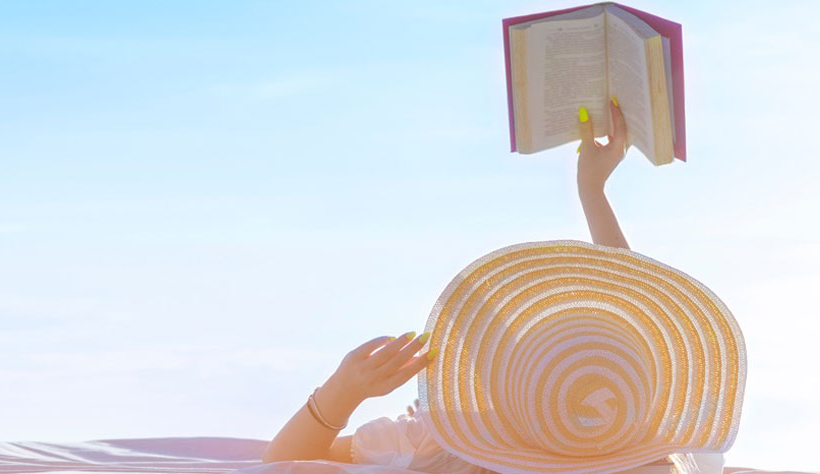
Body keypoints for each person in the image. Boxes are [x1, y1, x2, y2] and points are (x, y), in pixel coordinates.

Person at [261, 98, 722, 473]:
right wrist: (593, 192)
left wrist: (341, 393)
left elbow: (281, 465)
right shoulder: (666, 451)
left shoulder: (447, 441)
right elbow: (626, 320)